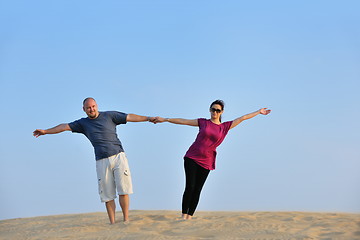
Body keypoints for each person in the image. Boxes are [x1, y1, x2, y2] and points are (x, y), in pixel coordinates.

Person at [33, 97, 156, 224]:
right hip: (101, 160)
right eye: (88, 108)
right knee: (107, 195)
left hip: (118, 156)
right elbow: (64, 126)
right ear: (84, 109)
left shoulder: (110, 116)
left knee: (124, 190)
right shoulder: (82, 123)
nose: (91, 109)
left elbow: (129, 117)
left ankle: (126, 220)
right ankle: (112, 223)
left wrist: (147, 118)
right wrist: (45, 132)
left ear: (96, 106)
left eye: (93, 106)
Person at [155, 100, 271, 219]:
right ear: (210, 110)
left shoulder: (225, 127)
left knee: (198, 189)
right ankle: (183, 215)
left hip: (207, 161)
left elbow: (243, 118)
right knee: (190, 186)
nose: (215, 112)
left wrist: (259, 112)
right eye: (213, 109)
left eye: (217, 110)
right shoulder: (203, 122)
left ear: (221, 112)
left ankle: (189, 217)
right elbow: (184, 121)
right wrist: (165, 119)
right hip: (192, 157)